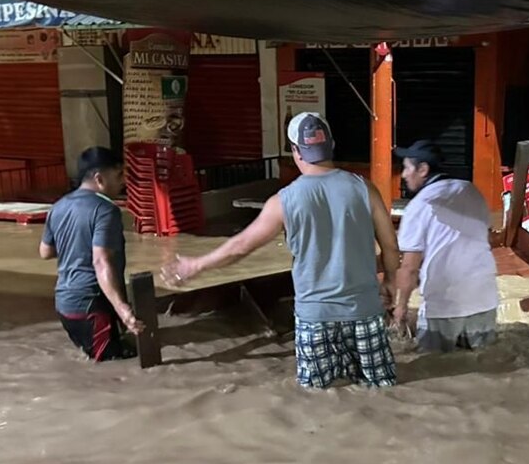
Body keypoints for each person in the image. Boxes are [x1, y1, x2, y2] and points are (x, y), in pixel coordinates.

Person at [161, 113, 401, 389]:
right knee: (381, 387)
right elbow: (391, 246)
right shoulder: (363, 188)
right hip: (365, 311)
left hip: (315, 317)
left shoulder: (284, 201)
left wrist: (195, 265)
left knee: (317, 394)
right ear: (331, 144)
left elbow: (240, 247)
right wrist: (391, 281)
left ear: (296, 151)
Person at [392, 140, 498, 352]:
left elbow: (410, 268)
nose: (403, 175)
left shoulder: (419, 205)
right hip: (485, 297)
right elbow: (486, 239)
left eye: (406, 168)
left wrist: (401, 307)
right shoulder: (472, 192)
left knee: (433, 370)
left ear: (423, 169)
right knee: (484, 365)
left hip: (444, 304)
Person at [39, 146, 143, 362]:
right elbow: (101, 262)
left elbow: (45, 252)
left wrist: (76, 244)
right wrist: (122, 309)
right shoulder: (106, 210)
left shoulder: (58, 206)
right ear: (99, 179)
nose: (124, 181)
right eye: (119, 175)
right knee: (117, 366)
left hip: (65, 304)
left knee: (105, 357)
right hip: (91, 306)